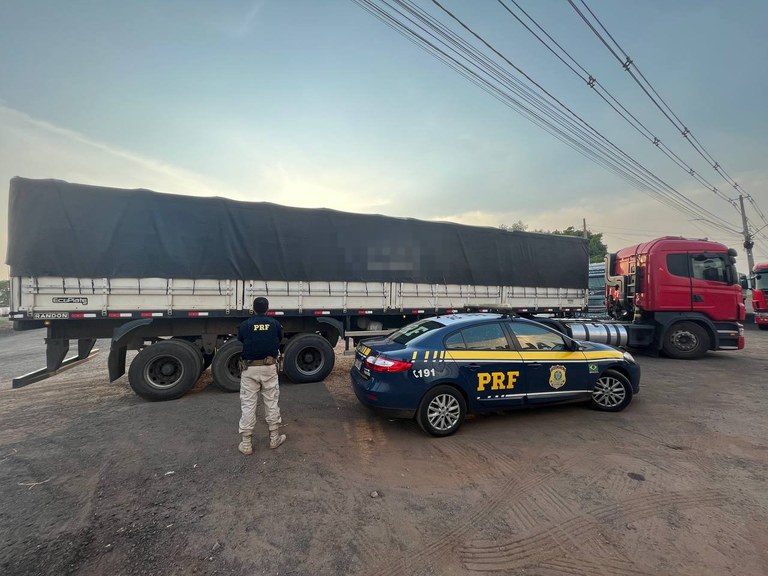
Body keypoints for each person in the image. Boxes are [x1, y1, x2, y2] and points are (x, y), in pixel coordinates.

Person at [236, 296, 286, 454]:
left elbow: (241, 339)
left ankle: (246, 444)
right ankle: (274, 438)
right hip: (268, 367)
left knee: (248, 405)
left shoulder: (246, 324)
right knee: (271, 401)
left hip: (249, 369)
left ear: (254, 308)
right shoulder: (275, 323)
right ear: (267, 308)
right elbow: (280, 337)